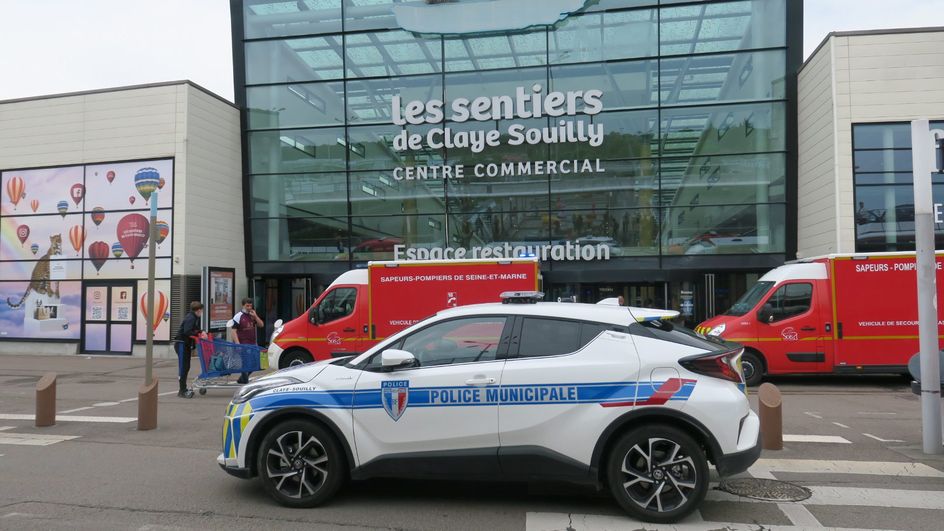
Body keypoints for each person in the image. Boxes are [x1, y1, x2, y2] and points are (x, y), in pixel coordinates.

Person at [228, 298, 263, 384]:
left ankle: (241, 379)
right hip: (243, 344)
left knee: (256, 363)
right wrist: (238, 344)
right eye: (247, 305)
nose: (249, 307)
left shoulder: (252, 315)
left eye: (250, 305)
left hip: (253, 343)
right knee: (246, 363)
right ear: (243, 305)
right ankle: (245, 382)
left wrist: (255, 316)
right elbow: (233, 331)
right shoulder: (238, 316)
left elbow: (261, 325)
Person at [175, 302, 204, 398]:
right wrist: (198, 333)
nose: (202, 312)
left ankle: (183, 388)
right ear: (198, 310)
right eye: (201, 310)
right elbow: (187, 331)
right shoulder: (191, 318)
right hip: (181, 344)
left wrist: (200, 332)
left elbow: (194, 329)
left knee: (186, 367)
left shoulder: (194, 317)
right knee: (183, 367)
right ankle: (182, 390)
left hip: (185, 344)